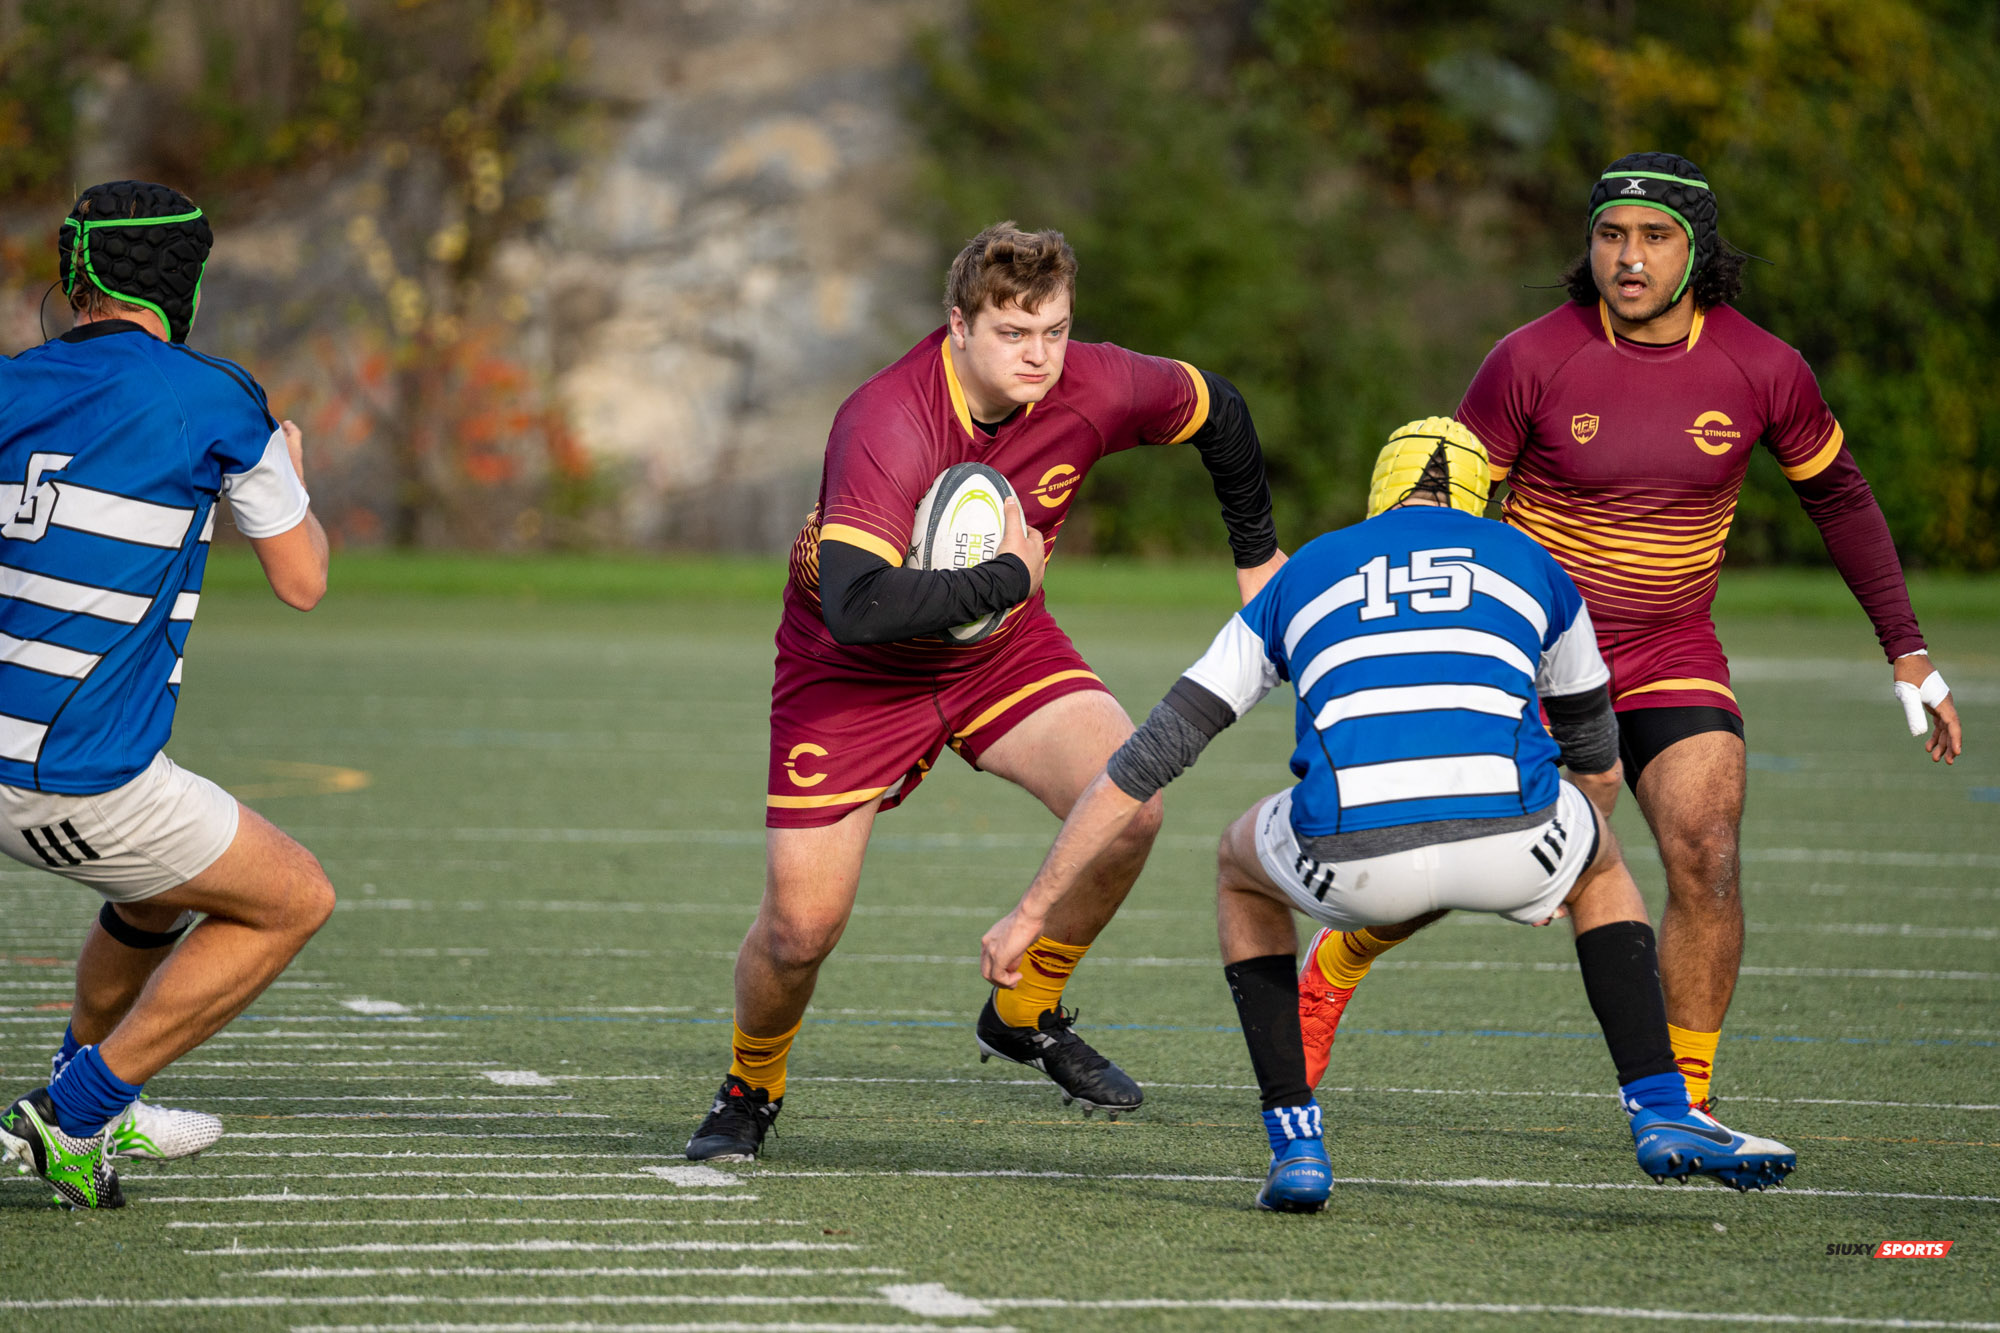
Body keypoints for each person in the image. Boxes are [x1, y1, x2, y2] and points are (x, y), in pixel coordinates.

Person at [981, 419, 1798, 1212]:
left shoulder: (1305, 571)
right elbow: (1596, 758)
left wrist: (1032, 909)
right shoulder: (1535, 562)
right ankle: (1660, 1106)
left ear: (1381, 493)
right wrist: (1563, 870)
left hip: (1349, 855)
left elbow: (1151, 754)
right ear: (1481, 499)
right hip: (1516, 839)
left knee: (1238, 866)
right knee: (1604, 862)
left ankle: (1295, 1141)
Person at [1303, 153, 1965, 1112]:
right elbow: (1445, 507)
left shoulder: (1764, 368)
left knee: (1707, 851)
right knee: (1470, 859)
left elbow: (1840, 500)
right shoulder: (1531, 358)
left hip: (1670, 649)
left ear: (1697, 250)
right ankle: (1342, 956)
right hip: (1532, 658)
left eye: (1655, 236)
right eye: (1611, 235)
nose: (1629, 257)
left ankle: (1687, 1102)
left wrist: (1906, 648)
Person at [684, 222, 1285, 1161]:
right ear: (958, 326)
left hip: (998, 655)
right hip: (853, 674)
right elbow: (858, 606)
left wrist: (1258, 562)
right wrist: (1008, 575)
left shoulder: (1096, 382)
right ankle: (750, 1083)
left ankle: (1024, 1006)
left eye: (1054, 330)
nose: (1039, 355)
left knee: (1130, 807)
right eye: (1013, 333)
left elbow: (1223, 412)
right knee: (801, 930)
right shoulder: (888, 417)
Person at [0, 181, 335, 1209]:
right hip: (66, 772)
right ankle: (77, 1111)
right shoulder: (216, 398)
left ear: (75, 279)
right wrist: (291, 475)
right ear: (184, 286)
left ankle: (85, 1097)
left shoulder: (10, 383)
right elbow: (303, 581)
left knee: (154, 891)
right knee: (294, 899)